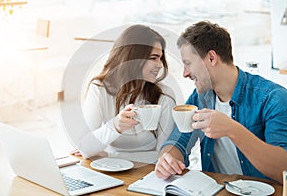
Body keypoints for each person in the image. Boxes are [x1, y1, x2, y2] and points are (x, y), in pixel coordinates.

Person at [154, 20, 287, 184]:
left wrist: (232, 129)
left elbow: (284, 169)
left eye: (188, 63)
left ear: (211, 58)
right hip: (215, 190)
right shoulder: (201, 97)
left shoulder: (273, 98)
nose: (184, 73)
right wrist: (167, 159)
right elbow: (178, 140)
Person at [79, 25, 176, 164]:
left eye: (160, 58)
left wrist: (111, 155)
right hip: (110, 171)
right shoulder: (99, 89)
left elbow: (163, 158)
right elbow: (85, 148)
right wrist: (115, 126)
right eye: (154, 58)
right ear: (133, 57)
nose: (160, 64)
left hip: (149, 175)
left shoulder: (164, 95)